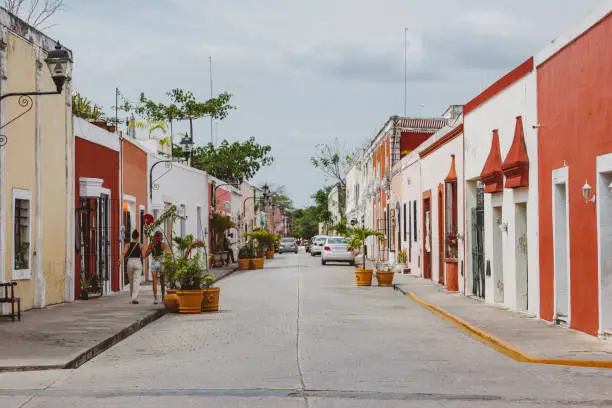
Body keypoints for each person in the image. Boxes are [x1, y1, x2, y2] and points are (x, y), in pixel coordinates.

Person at [144, 230, 171, 304]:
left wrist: (149, 251)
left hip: (154, 261)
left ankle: (155, 298)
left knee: (154, 281)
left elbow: (146, 254)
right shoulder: (163, 244)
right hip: (161, 262)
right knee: (162, 281)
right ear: (161, 237)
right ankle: (162, 297)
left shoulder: (151, 244)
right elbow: (168, 254)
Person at [121, 230, 144, 304]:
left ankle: (132, 297)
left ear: (132, 236)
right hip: (137, 262)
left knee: (131, 281)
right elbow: (143, 255)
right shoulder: (140, 245)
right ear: (138, 237)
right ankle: (135, 298)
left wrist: (120, 260)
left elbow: (123, 253)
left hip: (130, 262)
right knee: (136, 280)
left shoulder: (128, 244)